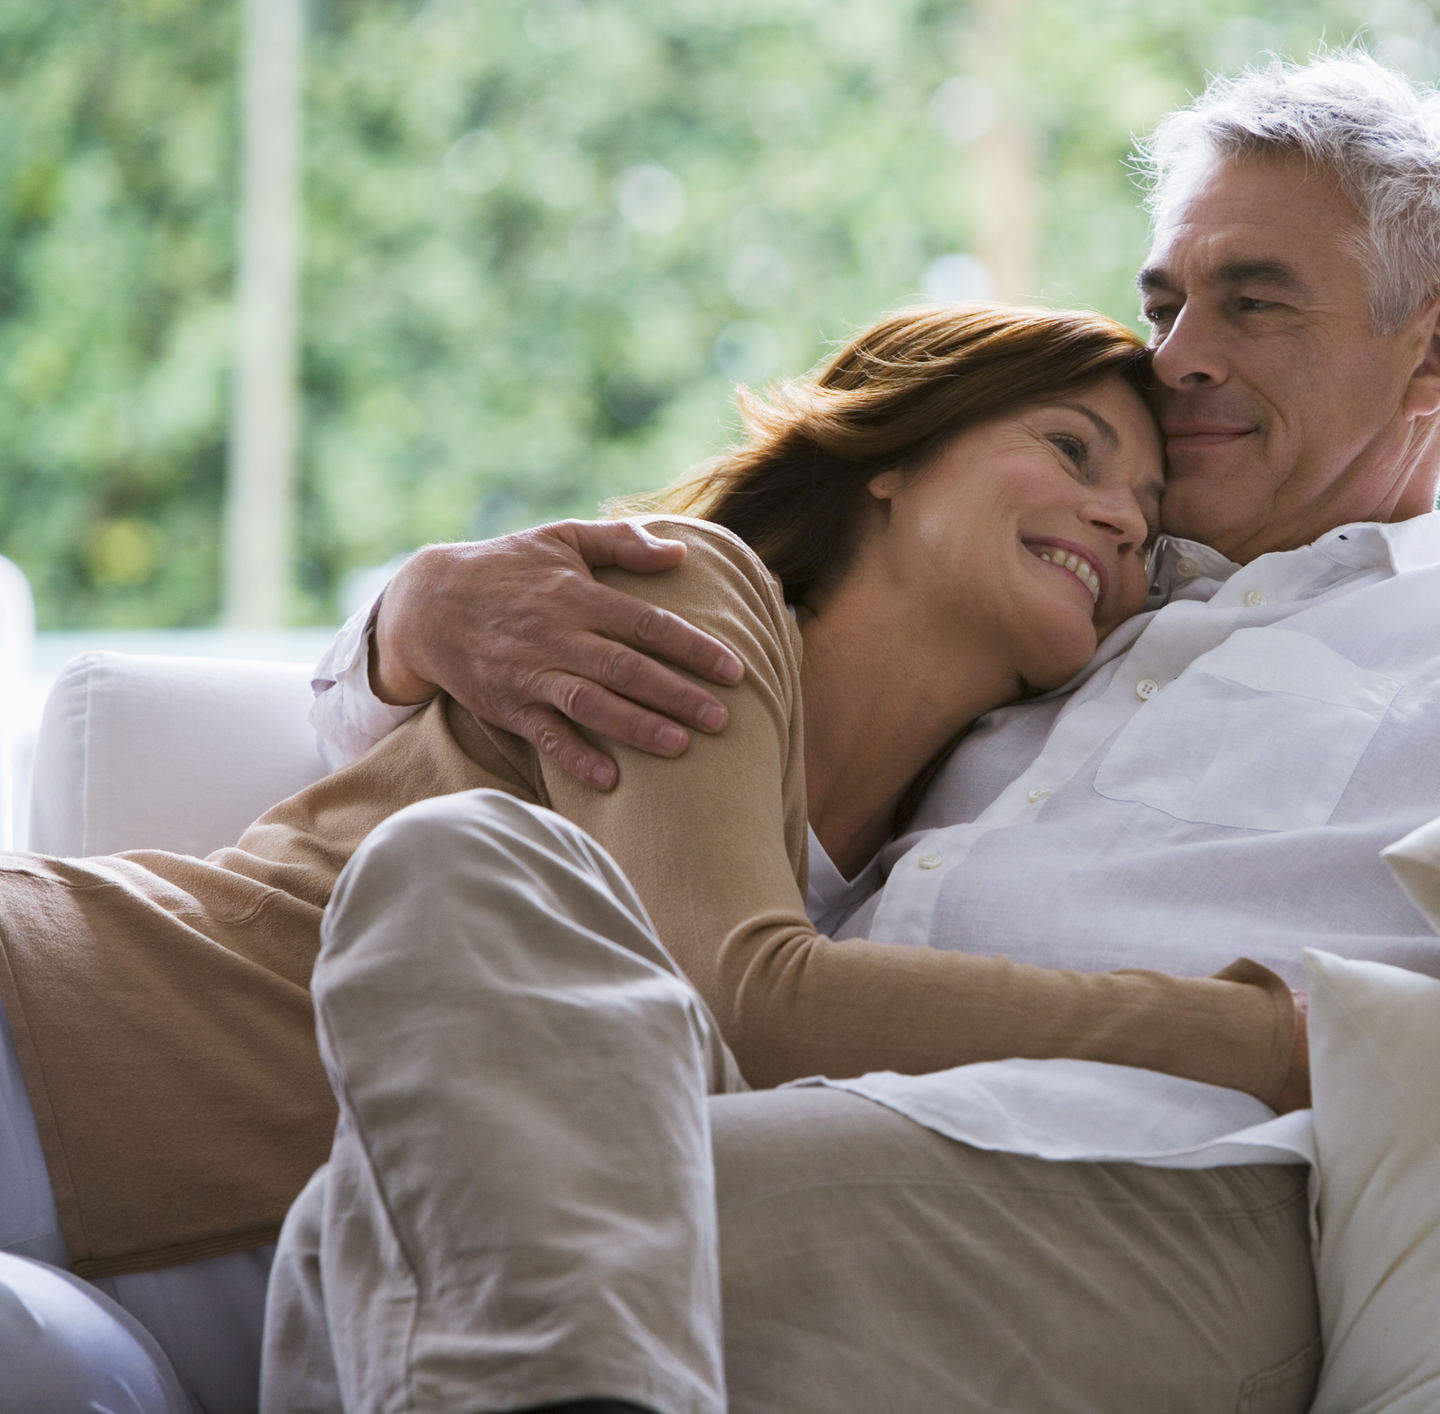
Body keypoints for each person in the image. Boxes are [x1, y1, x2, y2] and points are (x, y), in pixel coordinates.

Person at [309, 50, 1440, 1408]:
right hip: (793, 1093)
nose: (1173, 357)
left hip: (1144, 1178)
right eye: (1164, 297)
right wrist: (405, 619)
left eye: (1251, 303)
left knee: (441, 1244)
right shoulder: (1064, 601)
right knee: (452, 887)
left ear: (1437, 351)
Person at [0, 305, 1323, 1413]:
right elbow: (745, 995)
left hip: (229, 1285)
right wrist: (1270, 1037)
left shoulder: (929, 864)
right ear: (896, 456)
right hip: (66, 1045)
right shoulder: (689, 598)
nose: (1116, 520)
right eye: (1071, 449)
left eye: (1149, 515)